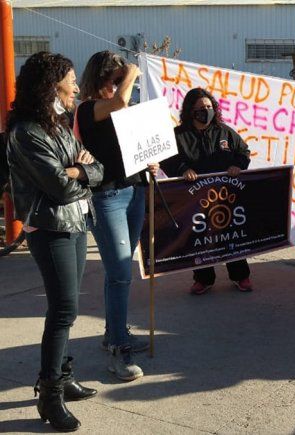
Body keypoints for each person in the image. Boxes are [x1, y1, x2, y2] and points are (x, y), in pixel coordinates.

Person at [7, 51, 104, 432]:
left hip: (76, 223)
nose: (77, 86)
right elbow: (61, 189)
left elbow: (97, 169)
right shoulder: (26, 132)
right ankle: (49, 396)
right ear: (51, 86)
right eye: (71, 79)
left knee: (70, 308)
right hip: (51, 229)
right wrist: (79, 172)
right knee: (63, 311)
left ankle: (64, 377)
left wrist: (78, 168)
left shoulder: (59, 125)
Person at [77, 50, 158, 381]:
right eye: (114, 82)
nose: (120, 88)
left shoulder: (120, 109)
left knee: (118, 272)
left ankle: (114, 333)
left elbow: (135, 143)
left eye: (120, 82)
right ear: (101, 81)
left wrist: (150, 161)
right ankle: (118, 351)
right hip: (107, 195)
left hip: (135, 189)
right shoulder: (88, 109)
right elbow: (120, 103)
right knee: (121, 272)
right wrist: (132, 73)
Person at [160, 87, 253, 294]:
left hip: (225, 195)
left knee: (231, 235)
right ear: (190, 111)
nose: (206, 111)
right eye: (201, 108)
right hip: (195, 197)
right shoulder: (178, 135)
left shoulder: (225, 131)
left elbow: (243, 151)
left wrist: (238, 165)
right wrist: (183, 169)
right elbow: (167, 158)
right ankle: (203, 278)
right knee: (200, 237)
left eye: (209, 107)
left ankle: (241, 275)